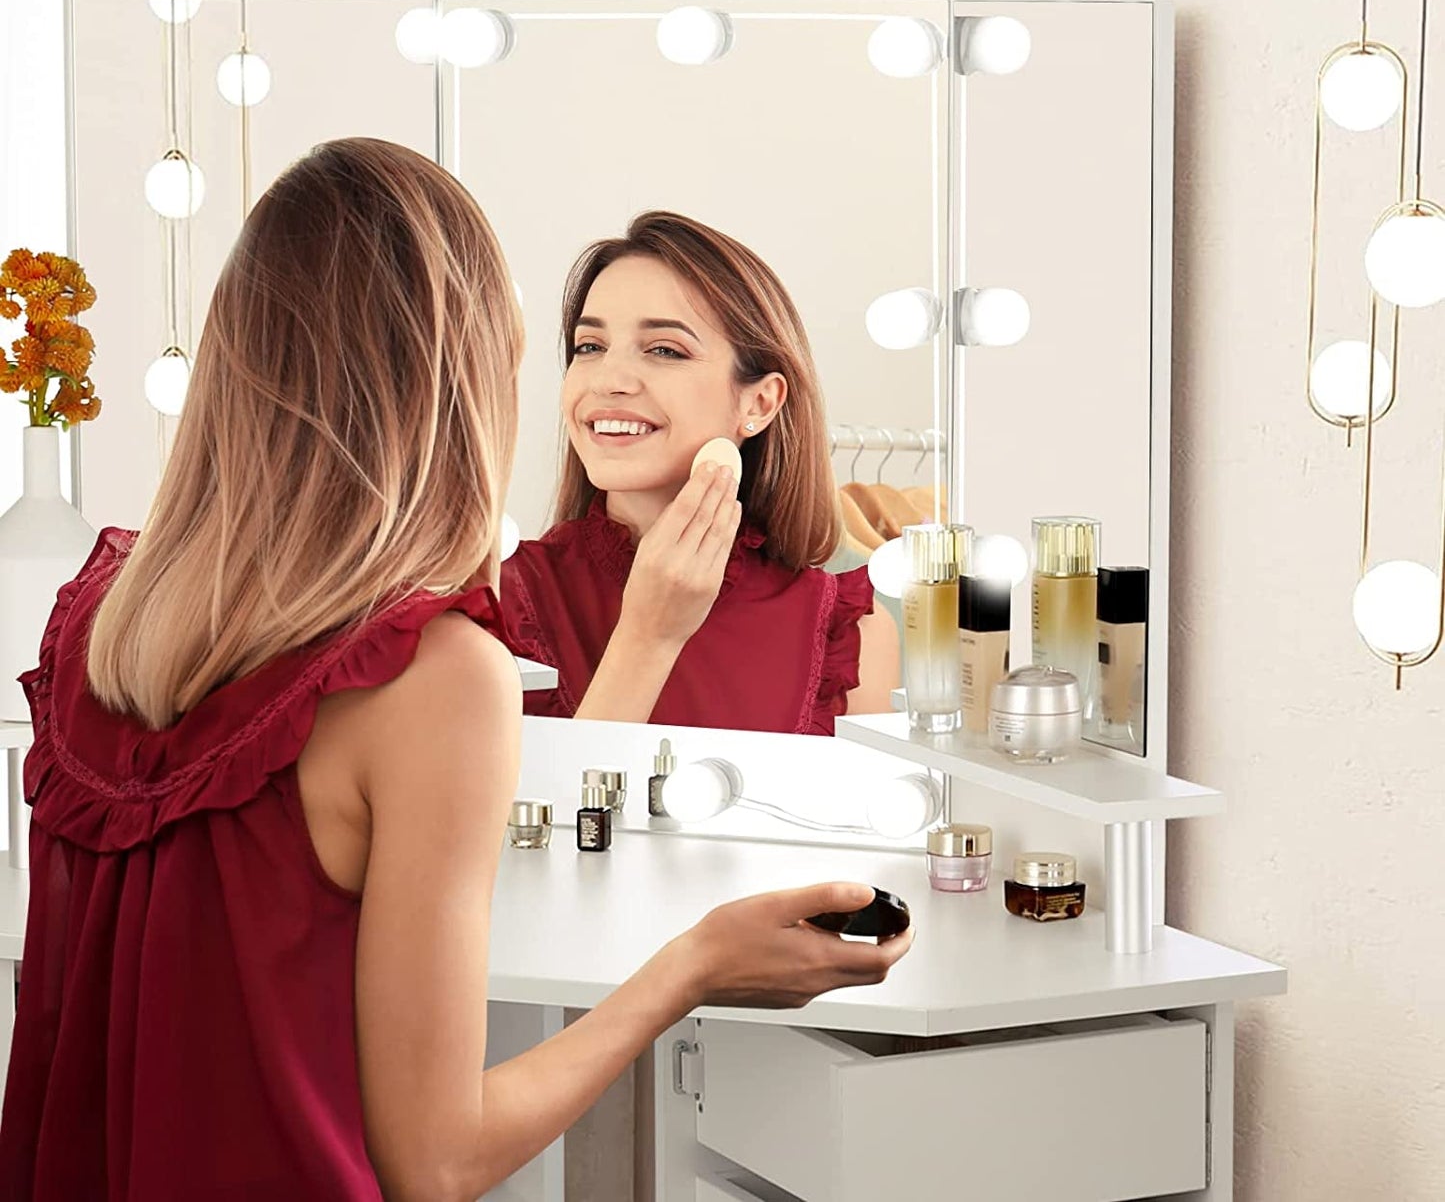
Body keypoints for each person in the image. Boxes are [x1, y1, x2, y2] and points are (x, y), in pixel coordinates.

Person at [0, 139, 912, 1201]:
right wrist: (695, 963)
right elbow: (434, 1160)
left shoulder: (99, 617)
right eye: (572, 344)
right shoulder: (435, 668)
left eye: (663, 349)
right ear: (459, 375)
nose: (604, 379)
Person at [501, 211, 900, 732]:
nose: (609, 380)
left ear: (759, 401)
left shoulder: (850, 630)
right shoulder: (499, 599)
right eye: (590, 347)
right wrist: (647, 636)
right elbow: (537, 815)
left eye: (665, 349)